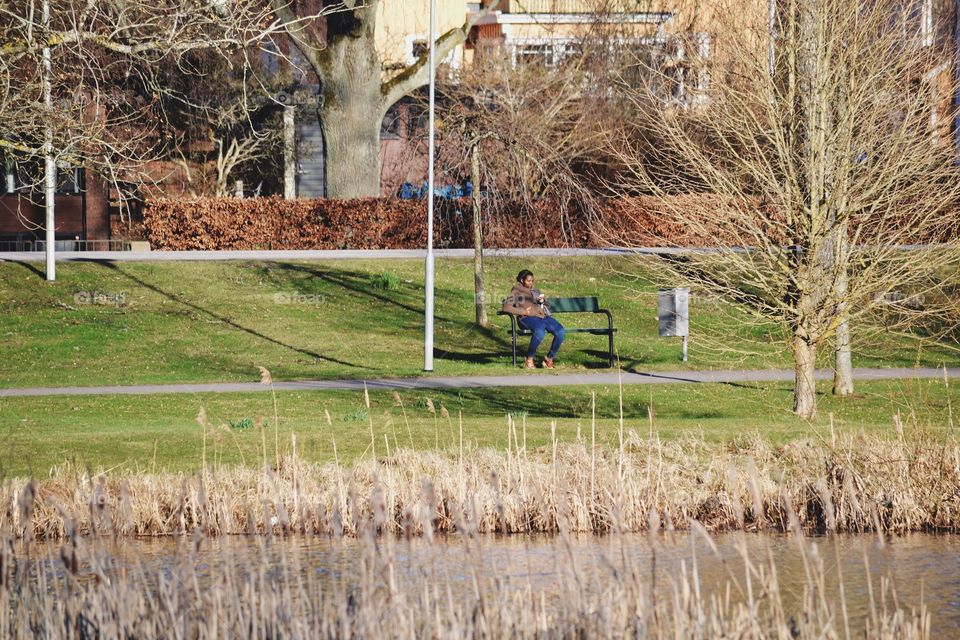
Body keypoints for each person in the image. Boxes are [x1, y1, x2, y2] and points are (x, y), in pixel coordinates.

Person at [501, 269, 565, 369]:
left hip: (542, 316)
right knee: (540, 331)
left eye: (532, 281)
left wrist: (542, 300)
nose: (531, 283)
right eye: (528, 281)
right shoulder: (516, 291)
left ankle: (549, 358)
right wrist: (523, 312)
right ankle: (529, 358)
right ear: (522, 280)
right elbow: (506, 307)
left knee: (560, 331)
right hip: (526, 318)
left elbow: (547, 304)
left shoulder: (535, 291)